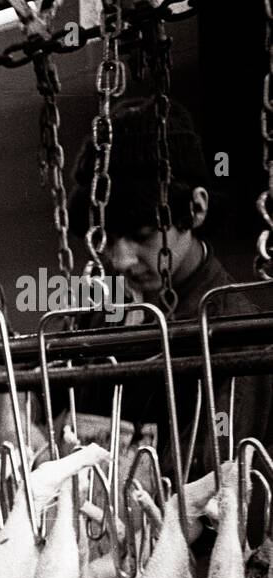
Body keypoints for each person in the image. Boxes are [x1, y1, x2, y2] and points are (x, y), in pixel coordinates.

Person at [66, 98, 271, 481]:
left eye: (142, 235)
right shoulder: (96, 315)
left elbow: (221, 489)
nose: (122, 259)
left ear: (195, 209)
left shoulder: (237, 335)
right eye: (107, 240)